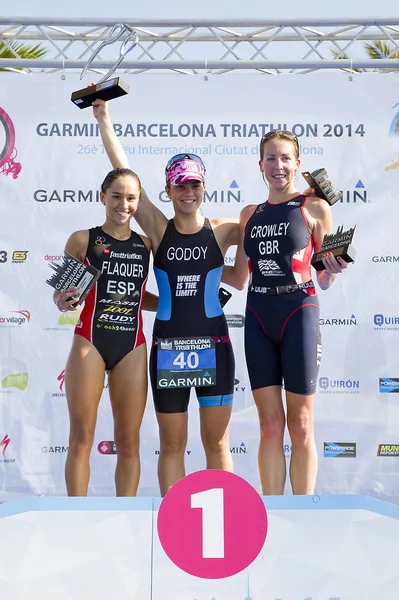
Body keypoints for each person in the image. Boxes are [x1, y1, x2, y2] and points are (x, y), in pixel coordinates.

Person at [93, 100, 240, 496]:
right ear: (168, 189)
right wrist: (104, 119)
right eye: (180, 185)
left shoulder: (226, 228)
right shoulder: (158, 228)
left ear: (204, 186)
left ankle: (221, 529)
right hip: (169, 348)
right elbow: (123, 171)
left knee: (217, 444)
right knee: (172, 444)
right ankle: (175, 525)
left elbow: (272, 232)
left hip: (214, 345)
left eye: (194, 184)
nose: (188, 192)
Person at [223, 130, 349, 495]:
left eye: (285, 158)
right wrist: (201, 267)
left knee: (302, 423)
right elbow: (240, 275)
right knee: (269, 425)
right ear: (260, 164)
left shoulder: (314, 208)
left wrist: (334, 267)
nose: (278, 166)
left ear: (298, 164)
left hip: (299, 310)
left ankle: (303, 510)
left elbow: (324, 277)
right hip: (259, 313)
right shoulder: (250, 214)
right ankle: (273, 512)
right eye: (271, 159)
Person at [53, 167, 157, 496]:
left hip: (132, 345)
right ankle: (76, 517)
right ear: (102, 197)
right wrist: (65, 300)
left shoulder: (146, 243)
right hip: (91, 342)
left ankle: (126, 518)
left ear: (138, 202)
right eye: (116, 196)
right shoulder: (83, 238)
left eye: (130, 198)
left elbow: (141, 296)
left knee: (129, 443)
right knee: (81, 438)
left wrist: (176, 304)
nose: (123, 204)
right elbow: (61, 295)